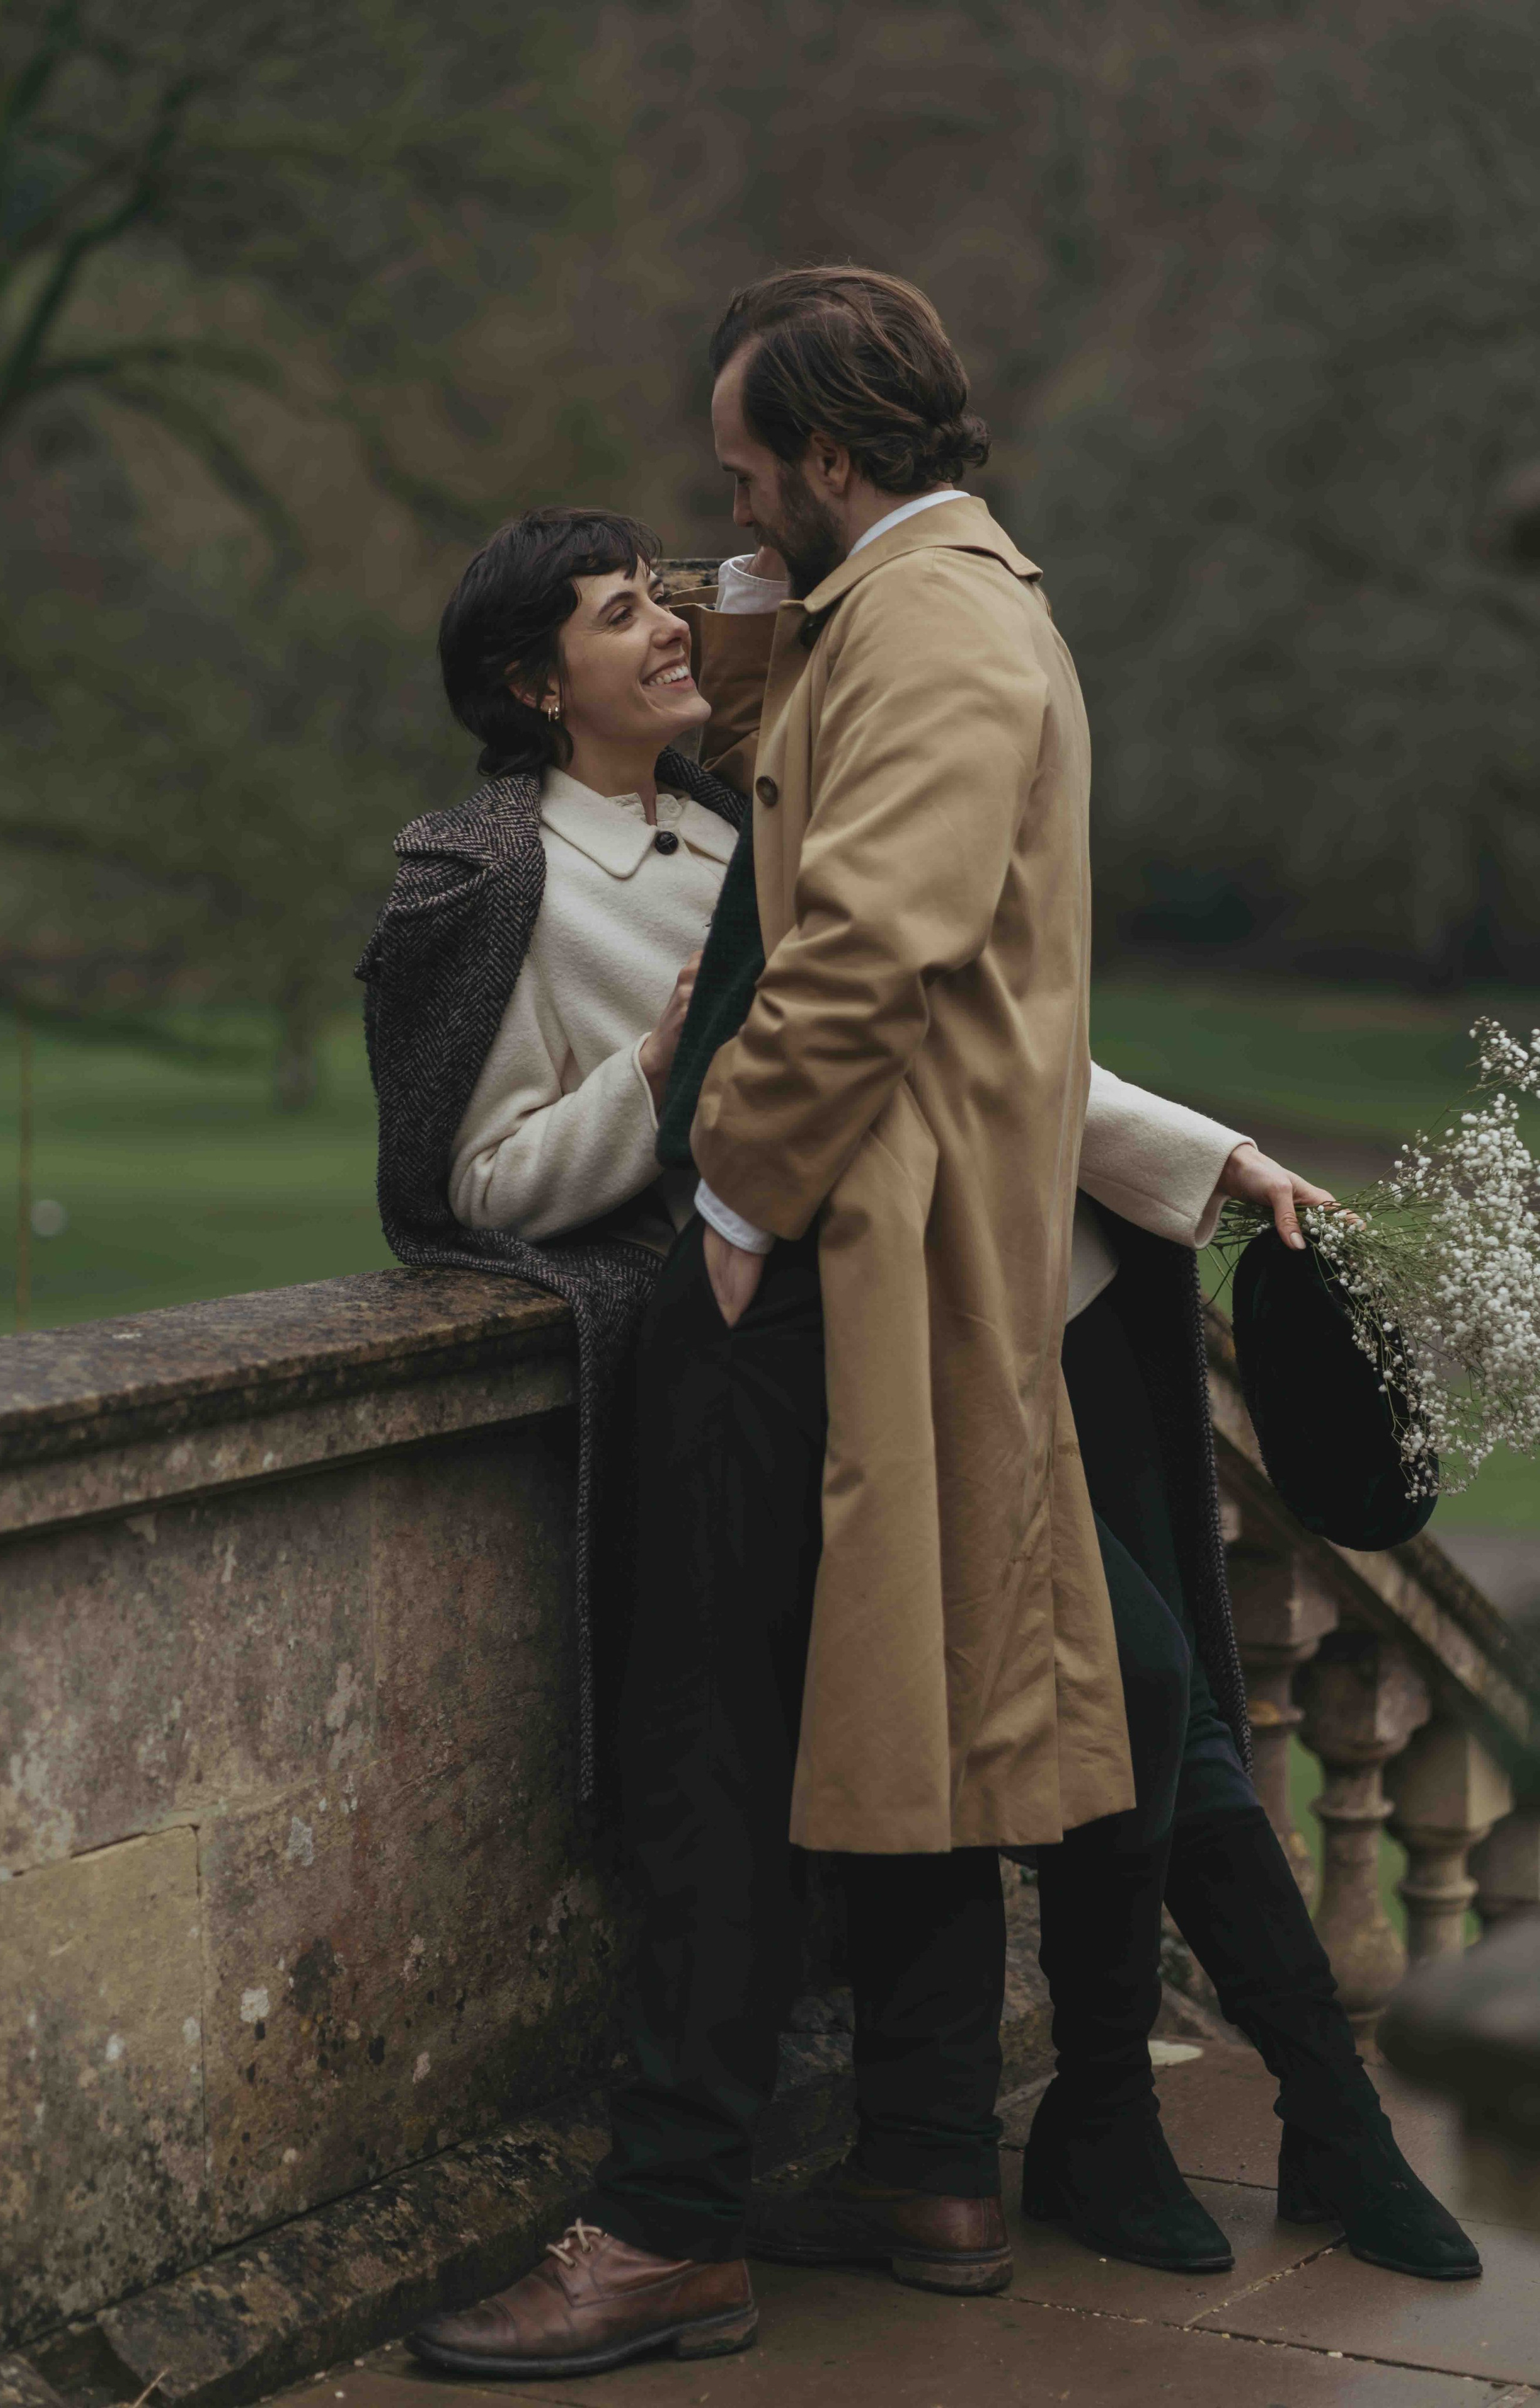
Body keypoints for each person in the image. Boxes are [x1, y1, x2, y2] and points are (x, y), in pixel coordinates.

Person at [365, 275, 1470, 2389]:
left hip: (820, 1273)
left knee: (735, 1749)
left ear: (835, 457)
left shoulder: (949, 624)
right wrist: (776, 644)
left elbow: (878, 950)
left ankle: (675, 2223)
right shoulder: (889, 624)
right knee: (914, 1723)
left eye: (744, 472)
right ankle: (942, 2178)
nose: (719, 521)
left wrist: (734, 1197)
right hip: (875, 1269)